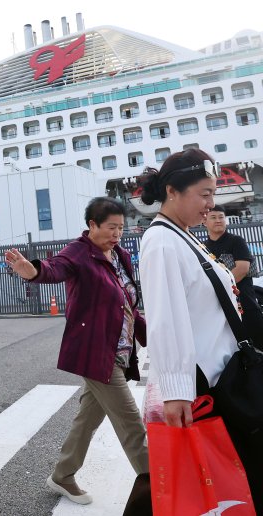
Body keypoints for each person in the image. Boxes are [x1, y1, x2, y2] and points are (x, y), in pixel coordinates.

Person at [138, 149, 261, 510]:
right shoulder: (161, 242)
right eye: (204, 194)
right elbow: (166, 319)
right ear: (173, 191)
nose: (211, 203)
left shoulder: (183, 236)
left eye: (212, 194)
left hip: (227, 376)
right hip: (207, 386)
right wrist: (175, 392)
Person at [5, 197, 148, 505]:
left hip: (120, 350)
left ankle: (63, 474)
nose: (117, 234)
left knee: (87, 419)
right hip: (97, 353)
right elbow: (56, 269)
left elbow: (126, 304)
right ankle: (159, 492)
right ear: (92, 225)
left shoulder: (119, 254)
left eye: (121, 228)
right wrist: (32, 272)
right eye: (110, 227)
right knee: (132, 426)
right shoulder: (79, 253)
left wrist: (151, 334)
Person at [204, 204, 263, 346]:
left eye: (221, 217)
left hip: (245, 305)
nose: (218, 220)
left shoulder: (236, 241)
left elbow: (242, 269)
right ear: (204, 221)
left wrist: (219, 291)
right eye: (213, 217)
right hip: (220, 310)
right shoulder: (203, 247)